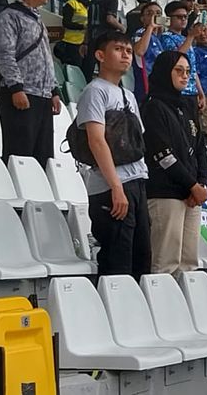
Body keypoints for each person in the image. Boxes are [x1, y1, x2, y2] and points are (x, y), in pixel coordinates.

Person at [76, 31, 150, 280]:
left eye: (129, 51)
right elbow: (97, 141)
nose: (125, 55)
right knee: (117, 264)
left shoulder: (129, 95)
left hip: (136, 181)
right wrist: (116, 186)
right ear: (100, 55)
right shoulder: (95, 91)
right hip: (111, 186)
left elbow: (137, 139)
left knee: (140, 260)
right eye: (118, 49)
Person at [141, 51, 207, 275]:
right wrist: (193, 186)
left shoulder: (188, 105)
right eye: (178, 71)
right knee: (166, 262)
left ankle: (185, 307)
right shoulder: (153, 107)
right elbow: (163, 155)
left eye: (188, 72)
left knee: (188, 263)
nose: (185, 76)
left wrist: (202, 183)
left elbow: (200, 147)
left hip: (191, 195)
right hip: (165, 193)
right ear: (164, 72)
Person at [0, 0, 61, 166]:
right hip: (21, 95)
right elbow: (5, 56)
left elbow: (46, 56)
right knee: (20, 155)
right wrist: (16, 88)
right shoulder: (8, 17)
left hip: (41, 96)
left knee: (43, 157)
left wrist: (53, 90)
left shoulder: (37, 19)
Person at [159, 1, 206, 112]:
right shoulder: (166, 37)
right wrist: (190, 37)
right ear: (169, 19)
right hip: (178, 92)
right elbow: (175, 58)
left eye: (185, 16)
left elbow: (192, 69)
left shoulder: (185, 39)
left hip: (191, 93)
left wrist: (201, 93)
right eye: (179, 17)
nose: (184, 19)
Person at [83, 0, 124, 81]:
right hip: (105, 38)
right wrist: (122, 27)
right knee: (105, 66)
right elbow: (110, 19)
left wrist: (85, 42)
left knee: (90, 68)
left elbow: (88, 23)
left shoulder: (93, 1)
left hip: (92, 36)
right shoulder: (112, 0)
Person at [55, 0, 91, 68]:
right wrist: (82, 26)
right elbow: (66, 23)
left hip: (85, 43)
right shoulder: (71, 3)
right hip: (71, 43)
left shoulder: (91, 5)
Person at [132, 1, 164, 102]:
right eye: (149, 13)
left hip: (157, 85)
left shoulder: (158, 38)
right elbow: (139, 51)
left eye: (158, 13)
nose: (154, 16)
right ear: (142, 18)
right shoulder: (140, 33)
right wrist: (150, 27)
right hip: (144, 84)